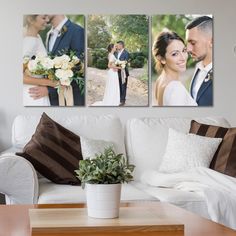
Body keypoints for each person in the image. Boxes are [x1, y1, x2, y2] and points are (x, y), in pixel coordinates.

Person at [29, 15, 85, 106]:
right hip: (52, 101)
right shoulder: (49, 34)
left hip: (72, 99)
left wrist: (49, 90)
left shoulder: (77, 31)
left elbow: (79, 68)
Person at [152, 31, 197, 106]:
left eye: (184, 50)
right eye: (175, 54)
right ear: (162, 59)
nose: (183, 58)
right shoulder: (176, 89)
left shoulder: (160, 80)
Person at [23, 15, 58, 106]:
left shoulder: (37, 37)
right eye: (43, 18)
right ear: (30, 19)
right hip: (33, 93)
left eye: (47, 17)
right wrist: (50, 83)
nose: (47, 20)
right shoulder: (30, 42)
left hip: (38, 90)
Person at [185, 16, 213, 106]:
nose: (188, 49)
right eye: (188, 43)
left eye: (193, 43)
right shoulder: (198, 67)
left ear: (212, 42)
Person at [115, 40, 129, 106]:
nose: (117, 46)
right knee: (118, 86)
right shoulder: (116, 53)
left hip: (123, 73)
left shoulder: (126, 53)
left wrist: (118, 64)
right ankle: (119, 99)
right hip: (116, 72)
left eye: (117, 45)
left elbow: (125, 63)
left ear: (121, 45)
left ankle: (123, 100)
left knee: (123, 86)